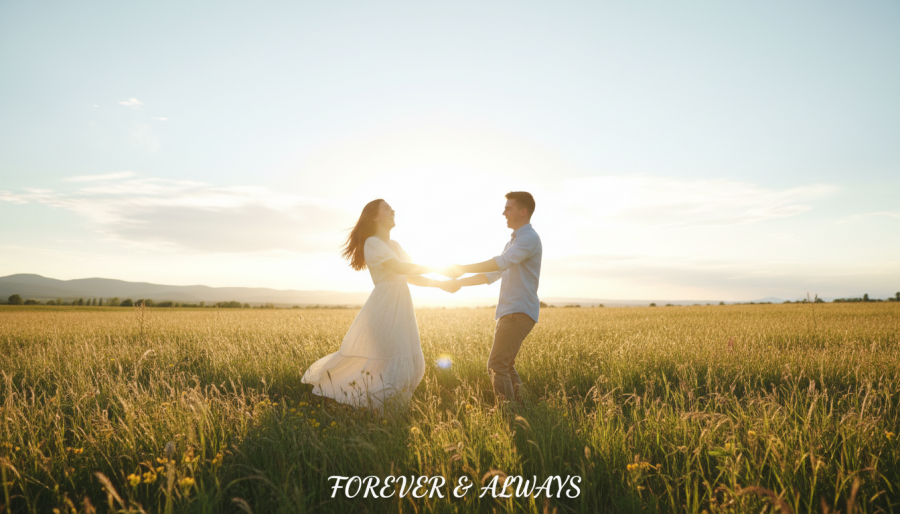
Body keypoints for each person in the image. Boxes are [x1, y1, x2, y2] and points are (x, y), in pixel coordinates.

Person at [301, 199, 457, 413]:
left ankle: (391, 411)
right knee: (393, 357)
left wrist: (441, 285)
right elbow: (400, 267)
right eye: (387, 208)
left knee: (408, 358)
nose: (393, 210)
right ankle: (386, 413)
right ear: (375, 217)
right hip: (384, 306)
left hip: (402, 305)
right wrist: (440, 268)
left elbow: (410, 274)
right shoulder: (372, 243)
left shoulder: (396, 245)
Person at [442, 191, 542, 407]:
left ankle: (509, 412)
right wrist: (461, 281)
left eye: (508, 208)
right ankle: (522, 409)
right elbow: (494, 274)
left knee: (496, 365)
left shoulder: (528, 239)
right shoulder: (514, 242)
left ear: (523, 212)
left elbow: (500, 263)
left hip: (518, 311)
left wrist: (462, 268)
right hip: (511, 311)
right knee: (506, 365)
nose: (503, 213)